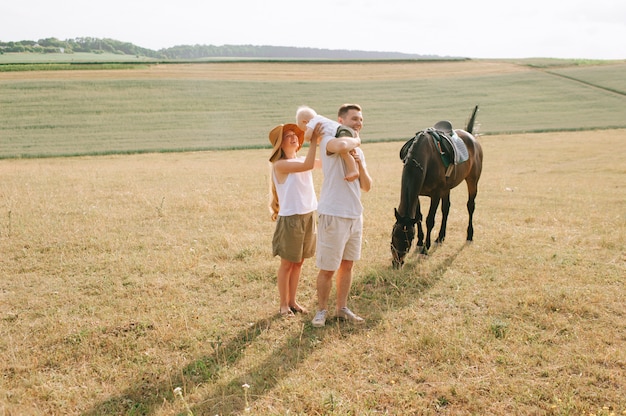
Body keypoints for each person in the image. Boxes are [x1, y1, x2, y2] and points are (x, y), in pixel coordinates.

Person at [311, 103, 373, 327]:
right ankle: (321, 310)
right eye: (354, 119)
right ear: (341, 121)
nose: (359, 123)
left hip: (355, 215)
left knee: (348, 265)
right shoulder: (330, 142)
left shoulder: (358, 150)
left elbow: (366, 186)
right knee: (328, 267)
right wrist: (355, 141)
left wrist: (360, 164)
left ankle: (342, 308)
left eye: (361, 120)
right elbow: (341, 144)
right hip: (333, 213)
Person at [269, 122, 323, 317]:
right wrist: (315, 141)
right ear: (279, 144)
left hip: (308, 216)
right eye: (287, 136)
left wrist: (326, 140)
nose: (293, 137)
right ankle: (283, 305)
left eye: (295, 135)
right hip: (291, 219)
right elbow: (309, 164)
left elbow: (321, 162)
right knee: (287, 264)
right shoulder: (280, 165)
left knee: (299, 262)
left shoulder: (300, 159)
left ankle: (292, 301)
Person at [296, 105, 360, 182]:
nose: (306, 130)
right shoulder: (320, 119)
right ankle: (354, 168)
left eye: (305, 129)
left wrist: (309, 137)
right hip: (344, 130)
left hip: (341, 131)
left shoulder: (312, 121)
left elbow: (307, 137)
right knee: (348, 151)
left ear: (305, 122)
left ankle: (353, 170)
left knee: (344, 151)